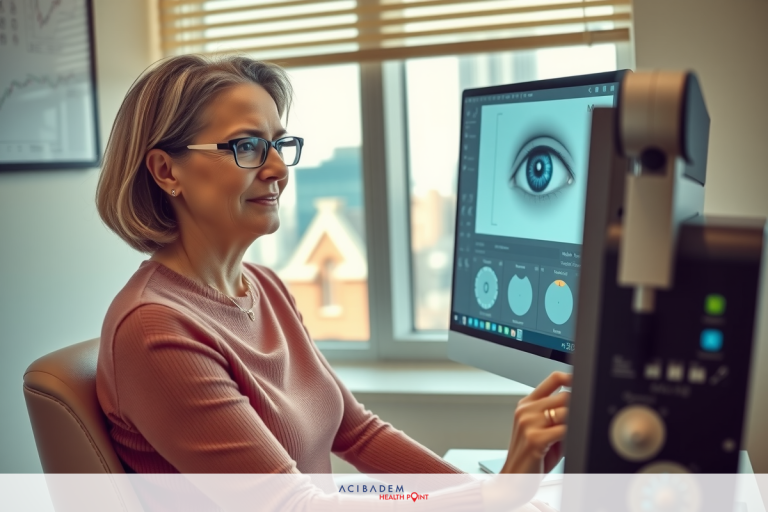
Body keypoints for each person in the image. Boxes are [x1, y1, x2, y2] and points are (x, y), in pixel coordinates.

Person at [95, 55, 570, 482]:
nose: (279, 168)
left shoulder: (264, 287)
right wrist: (503, 493)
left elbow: (358, 433)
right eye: (247, 147)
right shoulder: (153, 329)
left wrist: (485, 495)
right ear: (165, 171)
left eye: (279, 144)